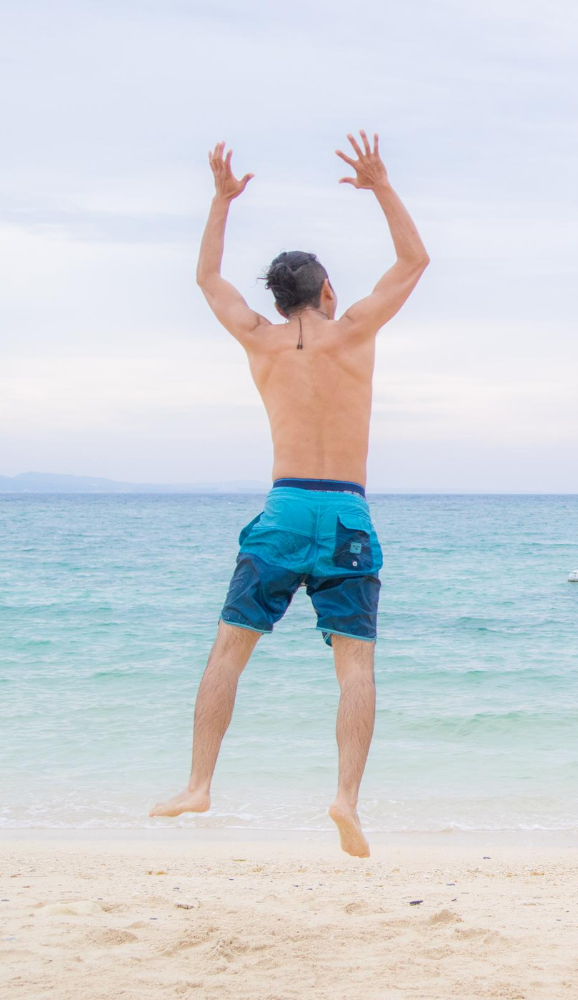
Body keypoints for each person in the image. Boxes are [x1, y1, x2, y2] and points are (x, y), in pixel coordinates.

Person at [150, 132, 429, 857]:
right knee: (355, 665)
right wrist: (380, 185)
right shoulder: (354, 331)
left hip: (282, 509)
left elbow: (209, 279)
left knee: (227, 652)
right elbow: (414, 262)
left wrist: (220, 200)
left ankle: (198, 784)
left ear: (277, 299)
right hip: (345, 511)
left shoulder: (259, 340)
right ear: (327, 292)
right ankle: (344, 800)